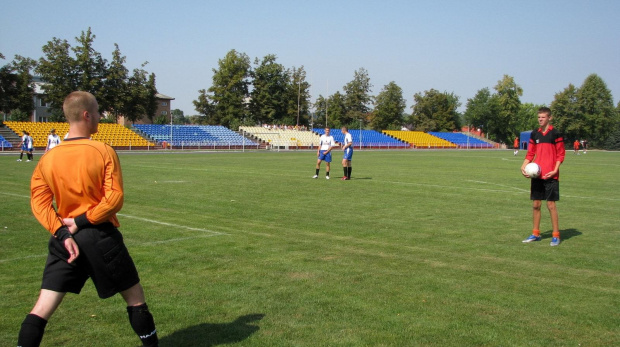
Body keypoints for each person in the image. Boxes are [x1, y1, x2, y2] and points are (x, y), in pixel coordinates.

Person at [17, 91, 158, 347]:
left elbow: (39, 203)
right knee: (136, 300)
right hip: (100, 236)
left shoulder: (48, 158)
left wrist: (62, 231)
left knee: (41, 308)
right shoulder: (103, 151)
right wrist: (82, 221)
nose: (99, 117)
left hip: (64, 240)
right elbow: (114, 199)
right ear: (86, 115)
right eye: (97, 112)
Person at [521, 107, 565, 247]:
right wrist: (524, 166)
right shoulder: (535, 134)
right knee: (536, 205)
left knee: (551, 205)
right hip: (537, 175)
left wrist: (555, 170)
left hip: (551, 175)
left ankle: (556, 235)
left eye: (543, 117)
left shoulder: (555, 134)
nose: (540, 119)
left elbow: (561, 154)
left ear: (549, 118)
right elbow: (530, 153)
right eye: (539, 117)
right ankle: (535, 233)